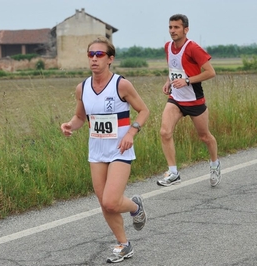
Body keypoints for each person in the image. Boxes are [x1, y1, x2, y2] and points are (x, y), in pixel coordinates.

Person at [60, 37, 150, 263]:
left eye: (99, 55)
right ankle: (124, 244)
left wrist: (131, 133)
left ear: (110, 59)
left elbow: (143, 111)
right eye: (91, 54)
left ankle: (135, 206)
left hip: (120, 149)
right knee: (105, 203)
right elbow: (81, 117)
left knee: (111, 201)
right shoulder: (82, 88)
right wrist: (71, 125)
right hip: (97, 152)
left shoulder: (121, 85)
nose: (94, 59)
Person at [156, 14, 221, 188]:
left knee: (204, 136)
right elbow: (174, 68)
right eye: (170, 27)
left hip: (194, 100)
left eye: (176, 27)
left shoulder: (193, 48)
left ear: (186, 29)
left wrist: (186, 81)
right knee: (164, 132)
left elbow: (210, 72)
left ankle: (215, 165)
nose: (172, 31)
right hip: (176, 99)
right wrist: (168, 81)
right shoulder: (167, 47)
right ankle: (173, 172)